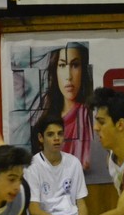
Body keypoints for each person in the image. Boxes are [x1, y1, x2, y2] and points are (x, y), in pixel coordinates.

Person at [34, 42, 93, 170]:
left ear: (83, 69)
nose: (68, 76)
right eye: (62, 65)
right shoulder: (44, 119)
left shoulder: (88, 115)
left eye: (75, 65)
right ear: (54, 70)